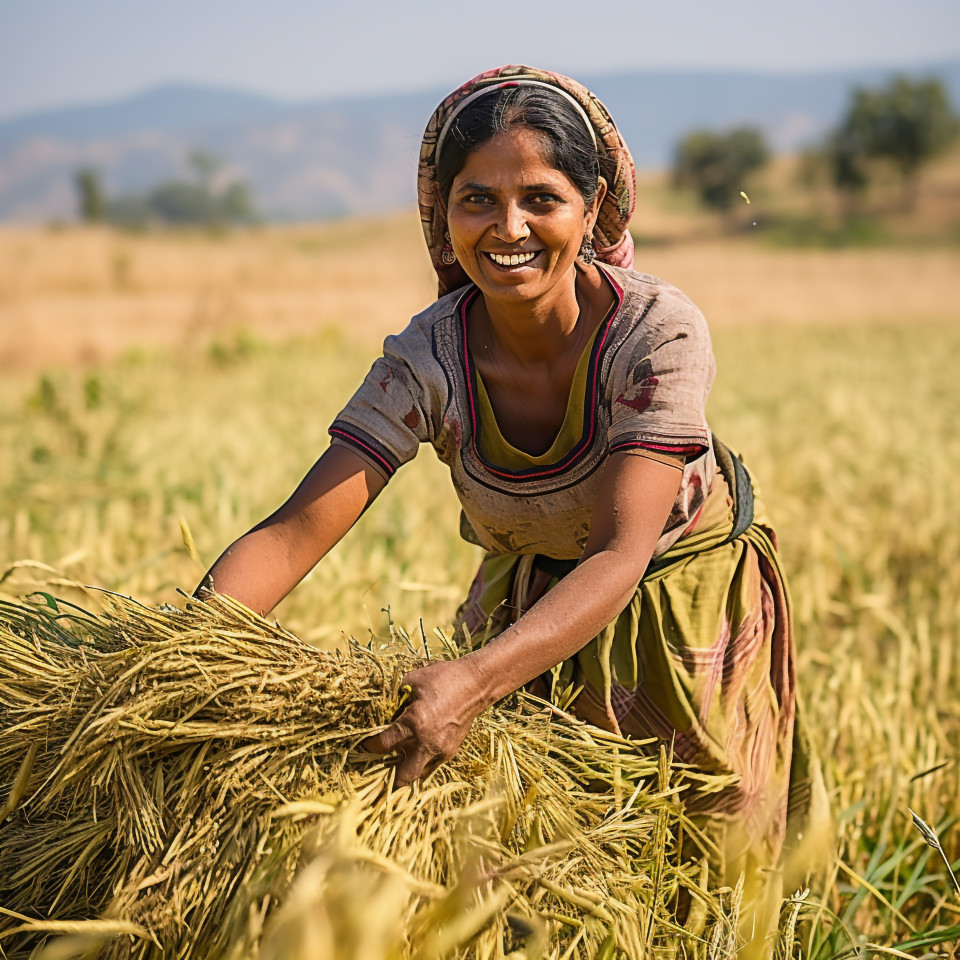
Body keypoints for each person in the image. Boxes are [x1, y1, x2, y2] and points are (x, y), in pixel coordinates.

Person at [199, 65, 826, 898]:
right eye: (476, 200)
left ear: (593, 207)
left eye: (540, 198)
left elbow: (620, 552)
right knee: (514, 875)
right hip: (524, 601)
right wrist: (179, 659)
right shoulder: (430, 356)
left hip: (674, 599)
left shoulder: (655, 335)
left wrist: (474, 680)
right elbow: (291, 533)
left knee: (702, 871)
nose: (508, 228)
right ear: (442, 215)